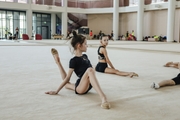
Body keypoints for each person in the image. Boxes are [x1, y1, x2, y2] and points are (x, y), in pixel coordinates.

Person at [45, 31, 110, 109]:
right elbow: (67, 77)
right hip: (81, 88)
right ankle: (103, 97)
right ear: (79, 46)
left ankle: (58, 62)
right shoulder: (73, 61)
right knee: (89, 70)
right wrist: (56, 91)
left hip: (86, 85)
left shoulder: (85, 56)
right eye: (85, 44)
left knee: (67, 84)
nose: (87, 46)